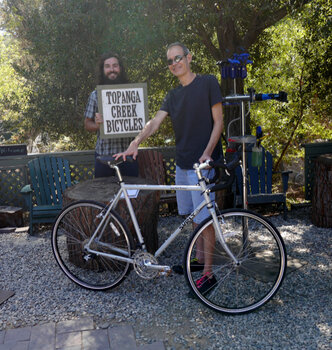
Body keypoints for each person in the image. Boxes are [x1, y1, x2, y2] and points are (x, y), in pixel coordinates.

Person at [115, 42, 224, 294]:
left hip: (203, 166)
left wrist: (207, 153)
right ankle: (197, 261)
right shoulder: (172, 96)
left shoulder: (208, 83)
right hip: (183, 165)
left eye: (178, 58)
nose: (174, 63)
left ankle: (208, 273)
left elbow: (218, 122)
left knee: (206, 220)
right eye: (170, 61)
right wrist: (135, 142)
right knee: (193, 218)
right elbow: (154, 123)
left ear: (189, 57)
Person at [84, 51, 139, 178]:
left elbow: (141, 123)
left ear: (120, 68)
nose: (111, 69)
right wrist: (98, 125)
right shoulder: (95, 95)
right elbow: (87, 124)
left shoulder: (133, 94)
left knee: (130, 195)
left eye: (115, 65)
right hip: (104, 157)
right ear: (102, 70)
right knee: (104, 195)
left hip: (128, 155)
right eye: (107, 66)